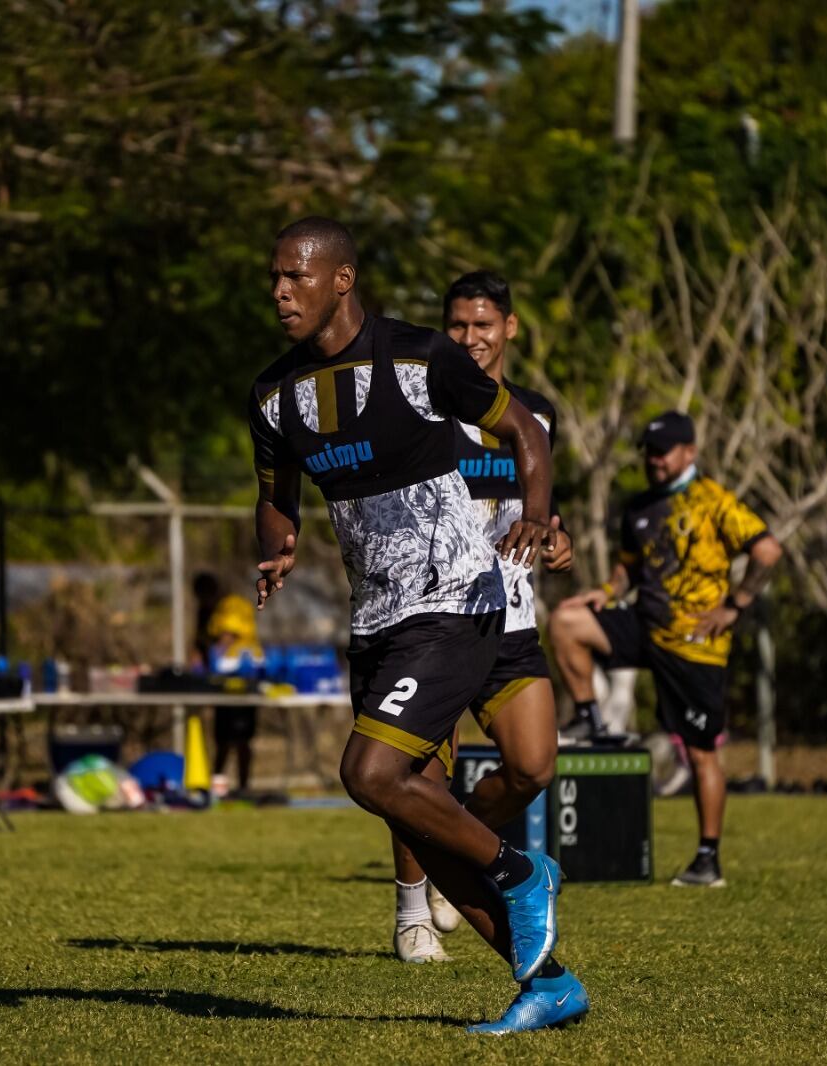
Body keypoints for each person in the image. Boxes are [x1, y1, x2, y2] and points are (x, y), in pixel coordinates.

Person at [251, 217, 586, 1034]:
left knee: (368, 775)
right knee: (419, 818)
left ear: (342, 279)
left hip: (456, 601)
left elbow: (527, 431)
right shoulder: (272, 395)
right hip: (377, 620)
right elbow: (275, 494)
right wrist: (279, 546)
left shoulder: (420, 357)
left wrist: (539, 516)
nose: (280, 291)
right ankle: (548, 983)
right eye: (274, 277)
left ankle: (519, 869)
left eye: (296, 276)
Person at [383, 270, 574, 965]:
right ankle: (412, 914)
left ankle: (452, 861)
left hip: (510, 619)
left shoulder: (538, 414)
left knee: (532, 766)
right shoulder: (419, 411)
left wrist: (556, 535)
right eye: (457, 328)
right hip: (432, 619)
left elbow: (541, 506)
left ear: (510, 329)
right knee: (417, 773)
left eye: (483, 327)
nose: (470, 340)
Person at [549, 412, 783, 888]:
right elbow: (629, 569)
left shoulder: (713, 501)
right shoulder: (639, 507)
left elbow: (767, 551)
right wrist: (607, 592)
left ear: (690, 452)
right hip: (645, 627)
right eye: (650, 452)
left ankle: (707, 859)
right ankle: (591, 720)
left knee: (700, 756)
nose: (655, 460)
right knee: (566, 621)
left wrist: (734, 606)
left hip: (695, 647)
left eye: (665, 451)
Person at [192, 572, 262, 792]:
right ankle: (218, 783)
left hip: (242, 676)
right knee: (222, 737)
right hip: (221, 679)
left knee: (241, 738)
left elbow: (229, 636)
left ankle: (243, 786)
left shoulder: (231, 605)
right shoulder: (207, 611)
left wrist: (215, 653)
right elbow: (201, 643)